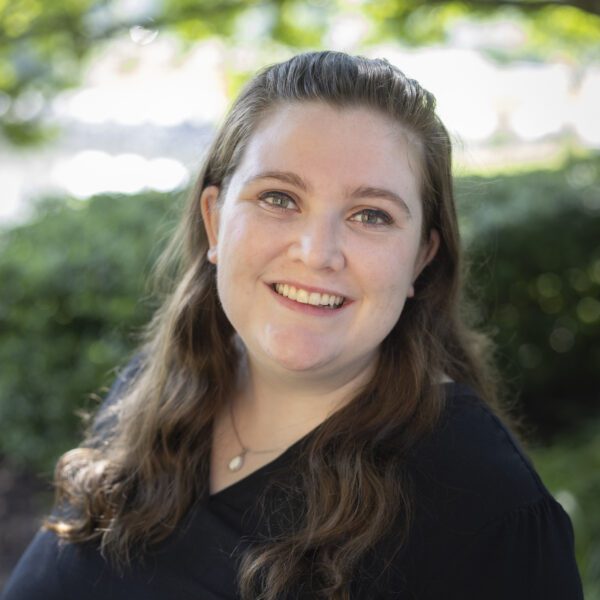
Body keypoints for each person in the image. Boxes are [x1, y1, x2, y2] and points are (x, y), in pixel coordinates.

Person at [2, 51, 583, 600]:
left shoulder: (487, 510)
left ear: (420, 259)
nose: (317, 251)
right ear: (214, 221)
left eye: (371, 215)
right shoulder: (154, 394)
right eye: (279, 198)